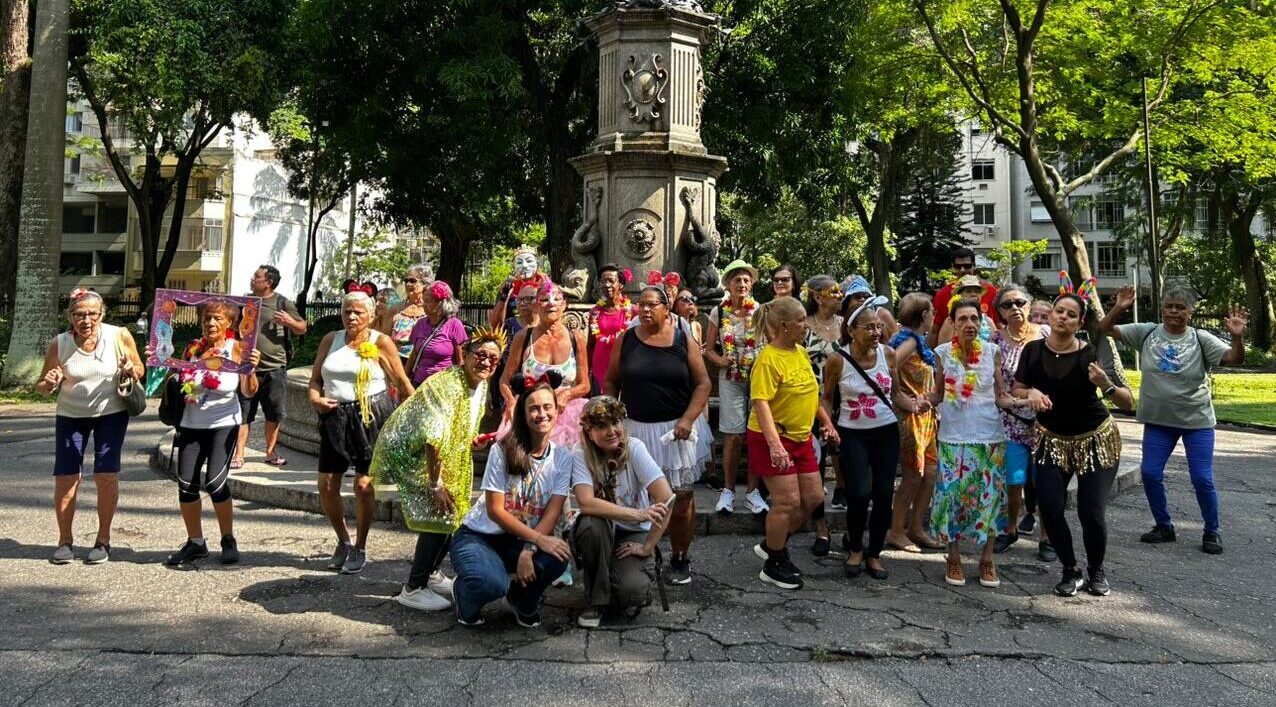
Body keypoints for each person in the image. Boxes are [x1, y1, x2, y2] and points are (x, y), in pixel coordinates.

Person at [1101, 284, 1248, 555]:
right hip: (1159, 421)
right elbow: (1105, 330)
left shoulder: (1200, 338)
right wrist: (1119, 308)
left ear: (1190, 312)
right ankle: (1163, 525)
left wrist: (1237, 338)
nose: (1173, 311)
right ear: (1162, 309)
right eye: (1169, 306)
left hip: (1196, 421)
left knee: (1202, 479)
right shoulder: (1147, 332)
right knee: (1150, 473)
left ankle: (1211, 530)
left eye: (1180, 307)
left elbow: (1234, 359)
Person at [371, 327, 507, 612]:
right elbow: (432, 438)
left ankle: (432, 574)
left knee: (455, 517)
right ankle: (414, 586)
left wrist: (472, 440)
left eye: (493, 359)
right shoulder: (446, 385)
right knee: (438, 518)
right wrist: (437, 485)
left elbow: (458, 426)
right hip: (417, 455)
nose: (486, 362)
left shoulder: (479, 385)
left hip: (450, 457)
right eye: (480, 355)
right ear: (465, 356)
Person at [1014, 283, 1133, 597]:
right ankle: (1071, 569)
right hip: (1052, 439)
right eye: (1059, 311)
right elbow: (1017, 389)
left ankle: (1096, 571)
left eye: (1071, 315)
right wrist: (1032, 394)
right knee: (1050, 508)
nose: (1063, 318)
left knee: (1090, 511)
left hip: (1095, 439)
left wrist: (1106, 384)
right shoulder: (1033, 350)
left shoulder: (1092, 352)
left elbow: (1127, 402)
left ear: (1080, 323)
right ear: (1050, 315)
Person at [445, 372, 575, 627]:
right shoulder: (502, 450)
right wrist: (536, 540)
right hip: (480, 536)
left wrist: (529, 550)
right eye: (534, 409)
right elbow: (495, 511)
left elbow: (552, 512)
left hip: (519, 540)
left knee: (557, 556)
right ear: (523, 414)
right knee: (490, 583)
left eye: (547, 407)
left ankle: (521, 600)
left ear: (557, 411)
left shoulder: (562, 458)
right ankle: (464, 597)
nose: (542, 414)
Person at [605, 283, 712, 585]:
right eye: (641, 305)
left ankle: (680, 557)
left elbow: (703, 383)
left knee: (681, 499)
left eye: (653, 304)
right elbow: (611, 381)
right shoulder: (625, 339)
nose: (646, 309)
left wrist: (689, 419)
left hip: (676, 430)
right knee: (636, 499)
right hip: (635, 430)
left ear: (668, 309)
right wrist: (614, 416)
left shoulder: (682, 337)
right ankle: (637, 555)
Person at [308, 289, 414, 575]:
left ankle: (361, 545)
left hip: (369, 416)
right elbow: (315, 381)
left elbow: (402, 382)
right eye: (347, 311)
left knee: (364, 486)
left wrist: (418, 416)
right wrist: (316, 400)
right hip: (334, 417)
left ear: (370, 315)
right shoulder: (331, 339)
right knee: (327, 485)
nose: (351, 317)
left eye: (358, 312)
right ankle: (343, 540)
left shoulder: (381, 342)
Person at [36, 289, 144, 565]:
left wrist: (131, 368)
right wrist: (49, 382)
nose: (86, 320)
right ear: (70, 316)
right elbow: (42, 388)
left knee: (105, 475)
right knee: (66, 477)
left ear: (102, 314)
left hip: (111, 413)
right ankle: (64, 541)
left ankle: (103, 539)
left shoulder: (118, 335)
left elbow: (139, 369)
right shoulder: (59, 343)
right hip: (71, 415)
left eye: (92, 314)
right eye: (79, 314)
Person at [160, 300, 262, 566]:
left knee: (216, 483)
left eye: (217, 318)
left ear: (229, 323)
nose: (211, 323)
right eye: (206, 318)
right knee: (186, 485)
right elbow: (179, 382)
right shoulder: (193, 348)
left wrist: (250, 369)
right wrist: (163, 357)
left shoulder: (237, 348)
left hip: (223, 424)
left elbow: (249, 392)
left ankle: (228, 538)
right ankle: (196, 542)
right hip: (192, 424)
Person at [748, 297, 839, 590]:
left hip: (800, 438)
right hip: (771, 438)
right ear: (784, 326)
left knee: (813, 499)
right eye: (801, 320)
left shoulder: (800, 353)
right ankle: (774, 562)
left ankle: (772, 543)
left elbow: (810, 394)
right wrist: (775, 445)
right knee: (787, 502)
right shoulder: (767, 358)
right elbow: (760, 403)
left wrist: (826, 421)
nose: (806, 325)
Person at [928, 300, 1018, 589]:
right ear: (952, 323)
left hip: (989, 438)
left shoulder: (992, 352)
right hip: (953, 438)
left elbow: (1001, 395)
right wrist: (919, 401)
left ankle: (986, 560)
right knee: (951, 500)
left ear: (981, 323)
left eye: (974, 319)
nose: (970, 324)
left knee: (990, 499)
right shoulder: (942, 353)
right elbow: (938, 394)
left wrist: (1026, 402)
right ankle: (953, 558)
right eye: (963, 319)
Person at [824, 295, 912, 580]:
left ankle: (874, 553)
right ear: (852, 330)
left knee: (884, 493)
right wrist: (828, 426)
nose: (876, 332)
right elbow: (826, 398)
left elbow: (896, 393)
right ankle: (855, 548)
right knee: (859, 493)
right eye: (869, 327)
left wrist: (917, 404)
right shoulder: (837, 360)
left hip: (886, 432)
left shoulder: (888, 355)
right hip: (852, 433)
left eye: (878, 326)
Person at [571, 397, 675, 627]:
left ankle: (615, 578)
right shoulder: (580, 452)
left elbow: (667, 498)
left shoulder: (634, 447)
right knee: (591, 524)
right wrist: (636, 513)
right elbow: (586, 503)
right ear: (588, 431)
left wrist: (648, 545)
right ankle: (596, 602)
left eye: (616, 422)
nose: (612, 431)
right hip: (600, 528)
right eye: (601, 426)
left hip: (631, 534)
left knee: (632, 593)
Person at [989, 284, 1053, 559]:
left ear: (1028, 304)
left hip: (1047, 422)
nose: (1015, 308)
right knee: (1013, 481)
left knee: (1046, 483)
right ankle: (1010, 529)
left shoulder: (1046, 335)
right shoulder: (995, 340)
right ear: (999, 312)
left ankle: (1047, 538)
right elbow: (996, 385)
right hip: (1011, 423)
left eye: (1020, 302)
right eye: (1007, 304)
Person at [704, 260, 768, 515]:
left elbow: (772, 342)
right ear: (728, 285)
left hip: (758, 378)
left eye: (745, 280)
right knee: (732, 436)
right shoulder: (718, 313)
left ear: (751, 285)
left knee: (755, 435)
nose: (741, 284)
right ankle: (728, 491)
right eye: (736, 280)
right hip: (730, 378)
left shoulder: (761, 311)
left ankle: (752, 492)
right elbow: (708, 349)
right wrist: (721, 360)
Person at [885, 293, 944, 553]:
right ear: (924, 315)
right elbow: (889, 365)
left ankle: (917, 528)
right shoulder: (908, 340)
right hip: (910, 418)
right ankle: (896, 531)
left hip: (926, 418)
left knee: (929, 474)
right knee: (912, 475)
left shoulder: (919, 341)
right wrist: (902, 396)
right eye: (932, 311)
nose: (934, 317)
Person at [501, 282, 591, 448]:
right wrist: (511, 403)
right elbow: (505, 380)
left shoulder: (576, 338)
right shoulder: (524, 337)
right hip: (531, 412)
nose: (550, 303)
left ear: (564, 305)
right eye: (544, 299)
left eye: (556, 299)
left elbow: (584, 385)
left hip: (566, 417)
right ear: (536, 305)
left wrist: (567, 395)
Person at [234, 265, 306, 469]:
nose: (252, 278)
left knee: (273, 413)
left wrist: (289, 321)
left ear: (268, 282)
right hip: (248, 369)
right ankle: (239, 454)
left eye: (256, 276)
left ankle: (270, 452)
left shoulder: (282, 302)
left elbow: (302, 328)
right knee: (243, 413)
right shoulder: (245, 302)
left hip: (274, 368)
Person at [803, 275, 845, 552]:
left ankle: (851, 529)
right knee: (814, 468)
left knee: (846, 459)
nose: (840, 296)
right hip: (809, 400)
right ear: (818, 297)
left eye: (841, 291)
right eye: (834, 292)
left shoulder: (846, 326)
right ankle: (821, 529)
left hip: (845, 400)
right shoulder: (803, 326)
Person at [929, 248, 1000, 346]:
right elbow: (934, 330)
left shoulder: (992, 292)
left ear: (974, 266)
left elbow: (999, 326)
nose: (962, 270)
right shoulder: (942, 294)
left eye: (967, 266)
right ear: (953, 267)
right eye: (958, 267)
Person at [406, 280, 467, 386]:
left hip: (443, 385)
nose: (423, 305)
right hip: (419, 383)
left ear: (440, 303)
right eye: (423, 300)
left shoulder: (454, 324)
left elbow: (460, 360)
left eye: (427, 301)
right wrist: (404, 380)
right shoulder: (420, 324)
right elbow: (413, 355)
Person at [374, 264, 430, 365]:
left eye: (412, 281)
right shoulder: (396, 309)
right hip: (397, 362)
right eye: (406, 281)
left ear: (425, 284)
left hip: (423, 363)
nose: (408, 284)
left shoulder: (430, 309)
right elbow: (384, 337)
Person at [588, 264, 633, 391]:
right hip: (600, 366)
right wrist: (586, 372)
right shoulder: (594, 312)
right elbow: (590, 344)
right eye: (603, 281)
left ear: (621, 285)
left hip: (623, 366)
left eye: (611, 281)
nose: (606, 285)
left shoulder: (632, 311)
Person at [489, 246, 549, 328]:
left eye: (529, 261)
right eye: (519, 263)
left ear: (537, 263)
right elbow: (496, 324)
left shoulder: (546, 286)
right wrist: (504, 297)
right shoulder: (508, 288)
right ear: (513, 266)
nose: (524, 265)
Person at [936, 275, 996, 343]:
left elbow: (997, 346)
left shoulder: (988, 321)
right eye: (968, 291)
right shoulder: (951, 321)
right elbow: (942, 350)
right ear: (960, 295)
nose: (974, 294)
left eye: (976, 291)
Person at [843, 276, 898, 340]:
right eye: (857, 297)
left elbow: (899, 342)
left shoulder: (882, 313)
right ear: (848, 302)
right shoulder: (843, 320)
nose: (862, 299)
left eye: (866, 296)